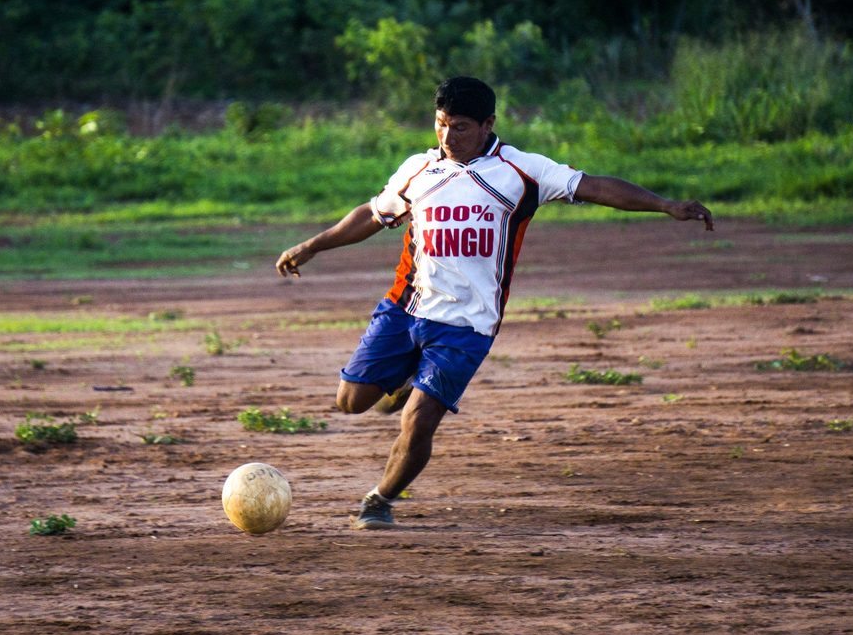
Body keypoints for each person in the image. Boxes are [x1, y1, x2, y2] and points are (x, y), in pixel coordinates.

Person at [276, 76, 713, 530]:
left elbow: (595, 187)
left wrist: (666, 205)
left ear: (488, 124)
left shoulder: (522, 171)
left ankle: (379, 500)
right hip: (405, 309)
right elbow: (372, 214)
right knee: (350, 402)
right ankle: (407, 377)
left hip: (468, 326)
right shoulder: (419, 169)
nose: (447, 137)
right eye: (441, 125)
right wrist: (313, 245)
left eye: (460, 127)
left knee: (418, 419)